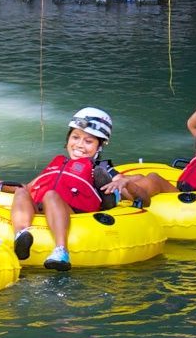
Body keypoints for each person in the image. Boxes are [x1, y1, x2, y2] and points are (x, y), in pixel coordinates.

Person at [9, 106, 124, 271]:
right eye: (75, 137)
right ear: (68, 139)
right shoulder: (58, 163)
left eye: (88, 141)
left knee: (50, 195)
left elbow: (121, 180)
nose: (79, 145)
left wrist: (121, 183)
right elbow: (28, 187)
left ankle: (61, 251)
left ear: (99, 147)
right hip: (40, 207)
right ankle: (21, 235)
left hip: (72, 211)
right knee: (21, 192)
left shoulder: (101, 167)